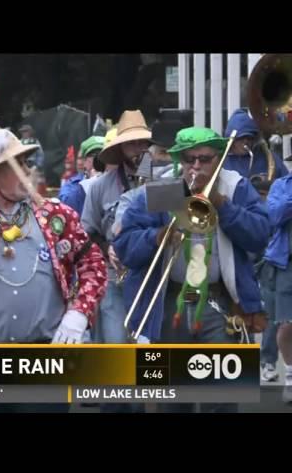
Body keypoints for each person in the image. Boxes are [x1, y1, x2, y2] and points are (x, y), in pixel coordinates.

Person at [0, 129, 107, 412]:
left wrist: (79, 313)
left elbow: (93, 264)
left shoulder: (54, 214)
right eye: (18, 164)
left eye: (27, 163)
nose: (28, 170)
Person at [114, 127, 270, 412]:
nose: (195, 167)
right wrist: (156, 237)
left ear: (219, 158)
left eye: (204, 159)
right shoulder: (166, 189)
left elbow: (261, 234)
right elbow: (124, 244)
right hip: (171, 301)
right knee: (174, 398)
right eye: (188, 160)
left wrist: (223, 206)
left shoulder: (234, 187)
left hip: (218, 302)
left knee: (222, 395)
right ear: (179, 160)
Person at [223, 108, 288, 382]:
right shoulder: (221, 162)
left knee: (271, 307)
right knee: (240, 304)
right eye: (241, 138)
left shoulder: (269, 157)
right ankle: (241, 360)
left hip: (266, 237)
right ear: (231, 137)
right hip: (234, 237)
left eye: (250, 138)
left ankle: (268, 360)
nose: (246, 143)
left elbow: (283, 184)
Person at [81, 110, 152, 346]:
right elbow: (87, 232)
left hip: (154, 276)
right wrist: (106, 247)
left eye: (142, 142)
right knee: (115, 344)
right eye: (132, 144)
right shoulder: (99, 187)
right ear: (121, 149)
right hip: (115, 277)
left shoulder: (164, 180)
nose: (139, 148)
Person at [260, 171, 292, 402]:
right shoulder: (281, 186)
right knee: (286, 324)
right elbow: (274, 216)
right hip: (286, 264)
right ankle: (290, 376)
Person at [58, 136, 105, 216]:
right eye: (93, 155)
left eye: (103, 154)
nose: (99, 159)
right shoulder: (72, 193)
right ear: (84, 162)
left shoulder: (119, 183)